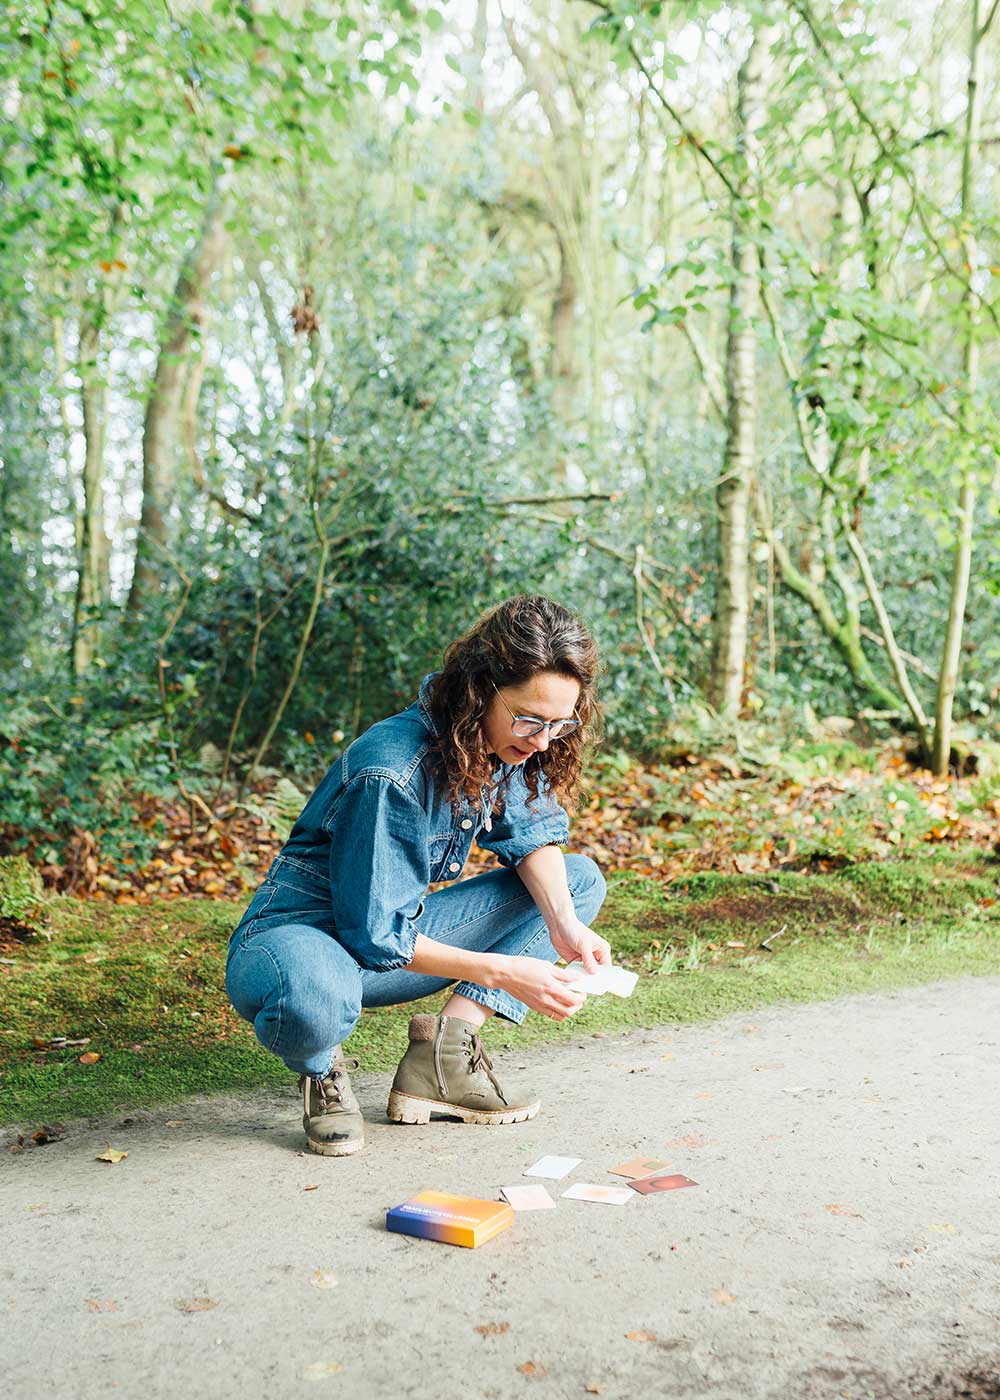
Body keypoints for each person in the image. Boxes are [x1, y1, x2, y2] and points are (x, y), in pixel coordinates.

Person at [224, 594, 610, 1157]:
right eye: (529, 719)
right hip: (296, 942)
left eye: (559, 723)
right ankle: (321, 1069)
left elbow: (530, 832)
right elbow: (376, 935)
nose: (542, 741)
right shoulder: (392, 772)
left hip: (380, 950)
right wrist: (503, 971)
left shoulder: (504, 743)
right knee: (314, 995)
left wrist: (564, 926)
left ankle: (441, 1058)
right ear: (480, 691)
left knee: (576, 884)